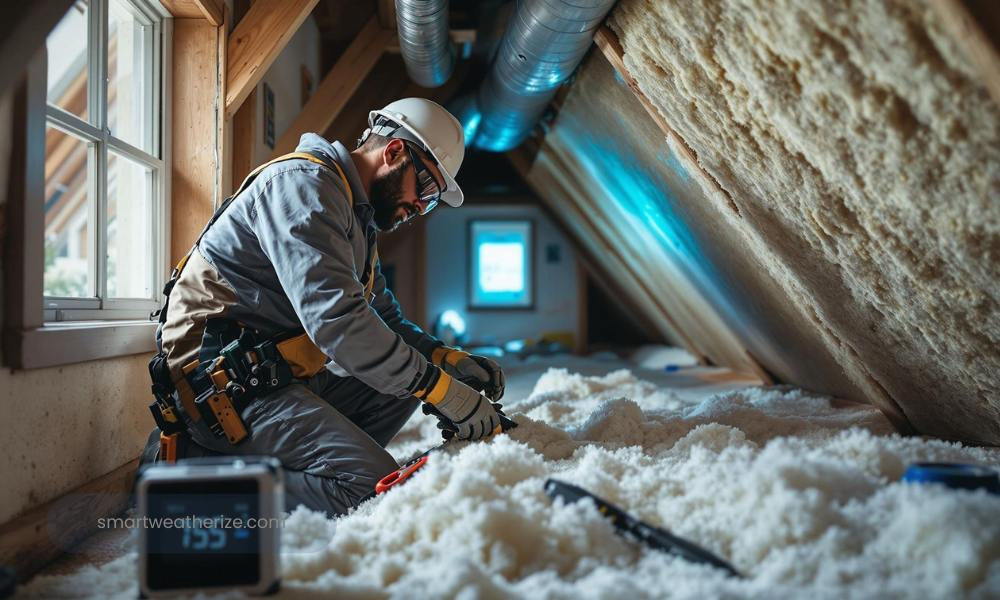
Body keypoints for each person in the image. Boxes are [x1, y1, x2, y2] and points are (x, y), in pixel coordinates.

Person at [146, 98, 506, 516]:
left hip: (270, 375)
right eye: (425, 190)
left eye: (432, 201)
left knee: (408, 382)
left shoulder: (355, 216)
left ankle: (297, 462)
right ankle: (192, 471)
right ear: (394, 152)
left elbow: (382, 318)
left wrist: (445, 359)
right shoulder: (305, 188)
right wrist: (441, 390)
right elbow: (339, 323)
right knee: (369, 488)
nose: (420, 209)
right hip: (222, 390)